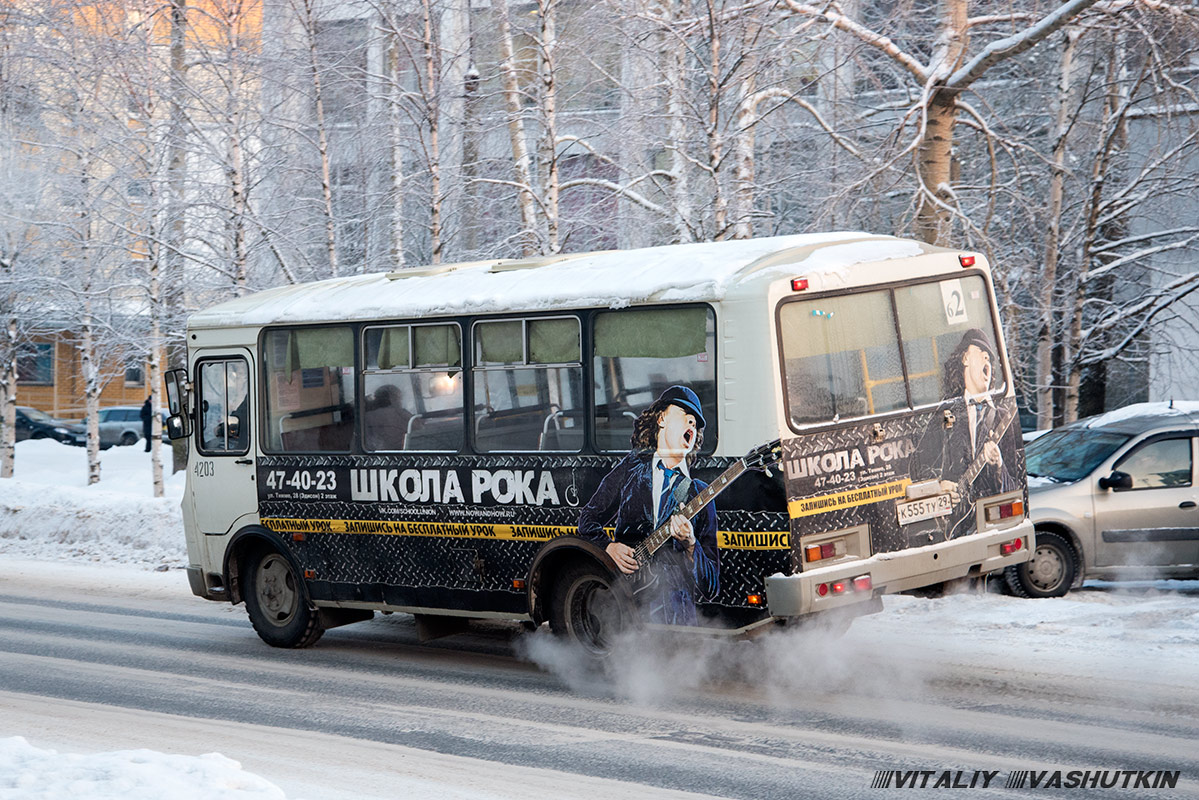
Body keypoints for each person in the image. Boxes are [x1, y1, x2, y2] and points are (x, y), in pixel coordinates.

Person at [577, 385, 719, 625]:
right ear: (662, 418)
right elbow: (588, 520)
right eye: (687, 417)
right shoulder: (630, 469)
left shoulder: (699, 492)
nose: (692, 427)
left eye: (695, 424)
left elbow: (711, 586)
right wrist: (608, 548)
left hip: (679, 622)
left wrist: (691, 545)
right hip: (630, 613)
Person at [913, 328, 1019, 539]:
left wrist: (999, 467)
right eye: (982, 353)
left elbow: (1016, 487)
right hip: (951, 527)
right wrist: (939, 486)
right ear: (965, 358)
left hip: (989, 525)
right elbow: (916, 466)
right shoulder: (946, 412)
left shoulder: (1003, 418)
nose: (987, 361)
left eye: (990, 357)